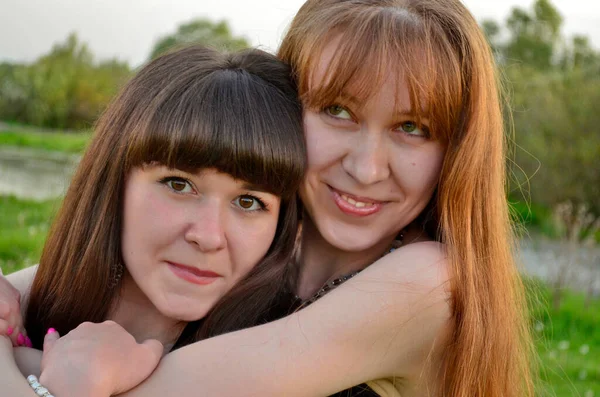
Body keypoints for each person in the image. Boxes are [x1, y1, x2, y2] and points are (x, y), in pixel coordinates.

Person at [0, 0, 534, 396]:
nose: (366, 167)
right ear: (284, 107)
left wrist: (56, 372)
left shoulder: (427, 283)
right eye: (338, 111)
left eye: (413, 127)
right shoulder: (259, 241)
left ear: (456, 148)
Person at [0, 44, 307, 394]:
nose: (207, 236)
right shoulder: (24, 301)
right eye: (179, 184)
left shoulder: (271, 372)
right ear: (115, 181)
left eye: (249, 202)